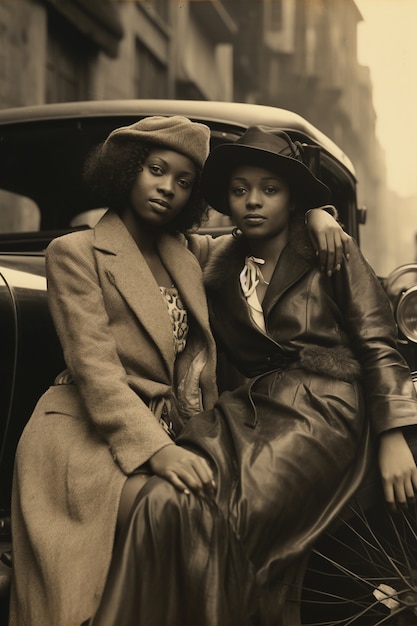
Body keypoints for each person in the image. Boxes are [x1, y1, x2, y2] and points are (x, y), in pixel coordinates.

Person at [9, 116, 345, 626]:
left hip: (176, 430)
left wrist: (315, 214)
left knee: (232, 515)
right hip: (84, 437)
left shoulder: (190, 254)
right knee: (173, 516)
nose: (168, 188)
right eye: (156, 170)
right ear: (126, 172)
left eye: (185, 182)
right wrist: (158, 450)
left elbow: (259, 227)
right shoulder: (74, 253)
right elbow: (96, 372)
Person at [88, 126, 417, 626]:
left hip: (328, 409)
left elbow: (377, 340)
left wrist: (393, 433)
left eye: (270, 189)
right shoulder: (217, 264)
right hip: (250, 412)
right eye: (240, 191)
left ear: (292, 197)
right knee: (166, 499)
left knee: (233, 513)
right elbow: (153, 245)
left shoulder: (329, 251)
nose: (253, 202)